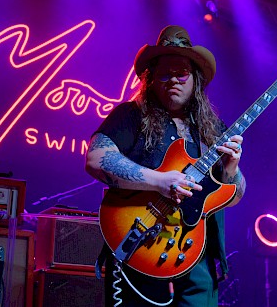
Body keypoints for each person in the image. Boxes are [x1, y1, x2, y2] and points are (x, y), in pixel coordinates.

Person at [85, 25, 246, 307]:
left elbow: (237, 194)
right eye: (164, 73)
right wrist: (160, 181)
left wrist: (231, 169)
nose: (173, 79)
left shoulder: (213, 130)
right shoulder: (131, 115)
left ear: (195, 79)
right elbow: (96, 159)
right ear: (151, 80)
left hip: (195, 255)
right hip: (140, 245)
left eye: (181, 72)